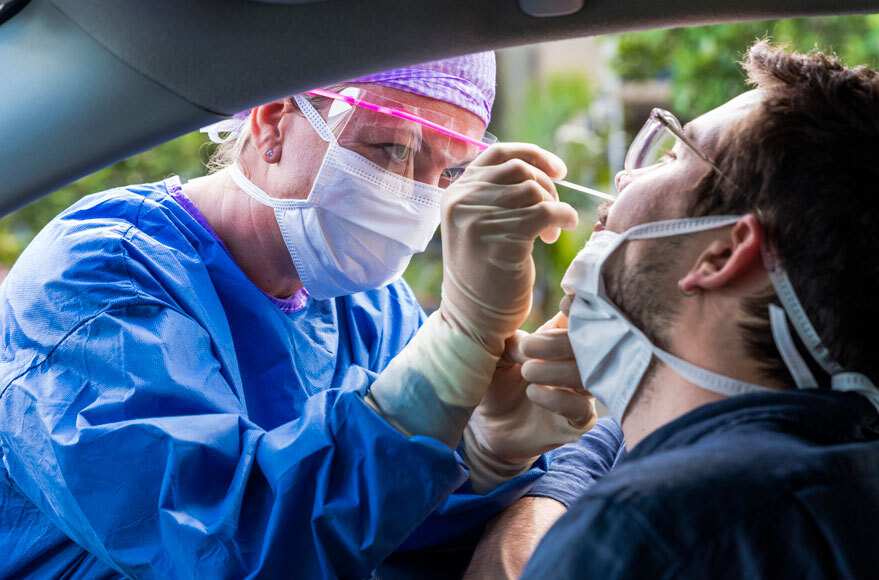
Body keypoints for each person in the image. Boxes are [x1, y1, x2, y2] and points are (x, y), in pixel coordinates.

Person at [0, 52, 599, 579]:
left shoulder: (369, 305)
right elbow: (223, 551)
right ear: (271, 122)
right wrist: (452, 351)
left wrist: (483, 455)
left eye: (445, 172)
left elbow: (370, 530)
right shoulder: (100, 282)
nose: (420, 195)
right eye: (393, 149)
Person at [511, 41, 879, 579]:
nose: (624, 178)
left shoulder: (653, 530)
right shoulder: (875, 482)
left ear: (724, 252)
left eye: (670, 156)